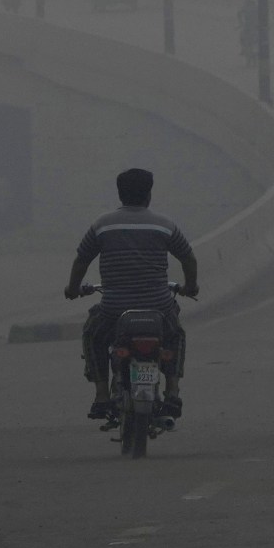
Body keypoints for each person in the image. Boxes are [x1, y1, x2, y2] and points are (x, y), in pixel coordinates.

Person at [65, 169, 198, 421]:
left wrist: (73, 289)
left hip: (115, 309)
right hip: (159, 307)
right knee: (175, 336)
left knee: (93, 336)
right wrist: (190, 286)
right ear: (149, 194)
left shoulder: (103, 225)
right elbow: (188, 258)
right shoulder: (164, 225)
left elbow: (82, 260)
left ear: (120, 194)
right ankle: (172, 391)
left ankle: (102, 395)